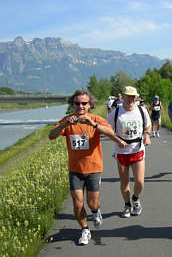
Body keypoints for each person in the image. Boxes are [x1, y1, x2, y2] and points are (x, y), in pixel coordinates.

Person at [48, 89, 117, 245]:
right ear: (72, 105)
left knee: (92, 202)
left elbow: (110, 133)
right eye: (77, 103)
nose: (80, 106)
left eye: (84, 103)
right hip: (75, 170)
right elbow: (51, 136)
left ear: (89, 105)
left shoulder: (95, 119)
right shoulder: (68, 120)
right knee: (77, 203)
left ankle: (95, 211)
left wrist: (94, 125)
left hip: (93, 168)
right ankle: (85, 229)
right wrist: (64, 125)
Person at [107, 86, 151, 218]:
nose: (130, 99)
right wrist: (116, 139)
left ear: (136, 97)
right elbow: (108, 130)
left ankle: (135, 199)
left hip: (137, 148)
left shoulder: (141, 110)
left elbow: (148, 125)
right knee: (124, 183)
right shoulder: (116, 113)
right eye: (128, 96)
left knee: (140, 182)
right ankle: (127, 204)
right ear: (123, 97)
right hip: (122, 151)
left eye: (133, 96)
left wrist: (147, 135)